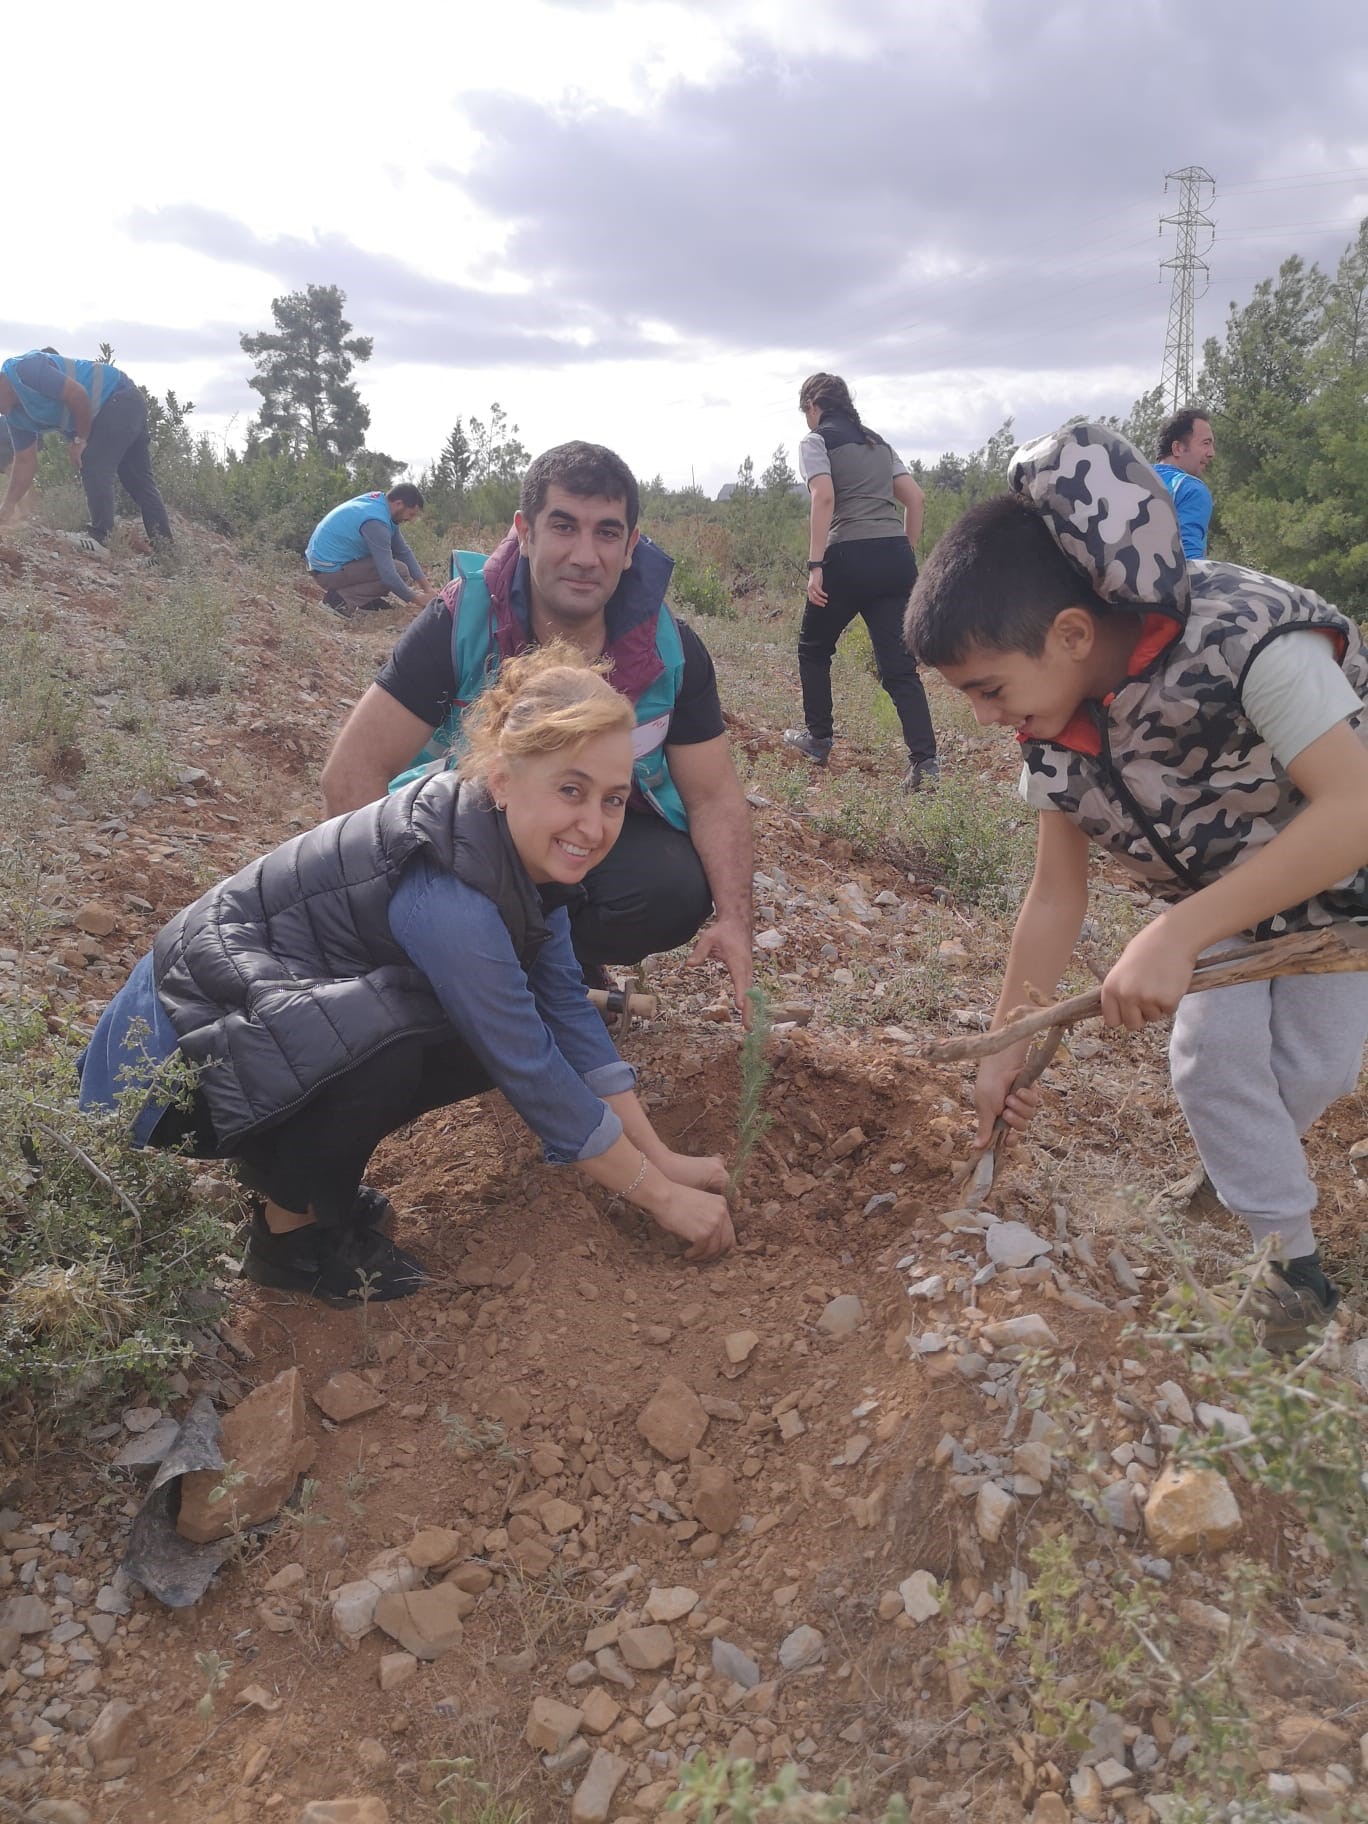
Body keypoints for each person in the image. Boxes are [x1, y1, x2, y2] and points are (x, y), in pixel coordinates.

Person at [77, 645, 737, 1305]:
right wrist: (662, 1201)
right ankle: (291, 1235)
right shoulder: (454, 893)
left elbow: (565, 1008)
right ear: (504, 778)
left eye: (614, 799)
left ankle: (287, 1168)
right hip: (162, 1076)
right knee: (411, 1035)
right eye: (571, 789)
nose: (593, 825)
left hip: (235, 1039)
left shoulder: (519, 855)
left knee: (472, 1024)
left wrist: (660, 1160)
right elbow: (533, 1072)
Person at [906, 420, 1368, 1352]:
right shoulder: (1054, 724)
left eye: (990, 689)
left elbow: (1352, 809)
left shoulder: (1251, 642)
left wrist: (1173, 933)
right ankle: (1291, 1269)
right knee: (1214, 1059)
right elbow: (1054, 896)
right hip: (1218, 903)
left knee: (1315, 1068)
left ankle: (1245, 1165)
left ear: (1072, 632)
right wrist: (1004, 1042)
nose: (989, 718)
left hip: (1340, 884)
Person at [320, 441, 755, 1011]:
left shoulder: (671, 649)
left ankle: (552, 966)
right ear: (525, 533)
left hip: (570, 844)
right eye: (564, 526)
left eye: (606, 533)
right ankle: (473, 967)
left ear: (630, 548)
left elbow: (715, 795)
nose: (584, 555)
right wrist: (390, 926)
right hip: (466, 837)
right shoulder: (459, 620)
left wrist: (735, 922)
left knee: (672, 885)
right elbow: (350, 775)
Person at [783, 373, 938, 791]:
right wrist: (902, 549)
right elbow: (916, 499)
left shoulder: (816, 442)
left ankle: (817, 738)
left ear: (813, 407)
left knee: (813, 648)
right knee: (900, 668)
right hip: (893, 559)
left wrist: (816, 564)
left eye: (806, 413)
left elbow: (824, 498)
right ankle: (925, 762)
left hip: (846, 558)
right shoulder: (878, 443)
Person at [0, 348, 172, 545]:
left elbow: (78, 395)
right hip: (121, 405)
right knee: (139, 481)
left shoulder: (25, 369)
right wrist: (9, 505)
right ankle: (166, 551)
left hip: (118, 397)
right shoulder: (15, 417)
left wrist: (80, 441)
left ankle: (100, 538)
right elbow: (24, 462)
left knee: (91, 461)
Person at [305, 482, 430, 615]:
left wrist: (428, 588)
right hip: (327, 573)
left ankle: (364, 601)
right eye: (411, 514)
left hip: (320, 565)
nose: (410, 519)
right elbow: (389, 576)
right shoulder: (376, 523)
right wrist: (418, 600)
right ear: (399, 504)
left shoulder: (378, 502)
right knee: (400, 571)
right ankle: (339, 601)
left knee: (389, 564)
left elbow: (403, 550)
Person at [1152, 408, 1215, 560]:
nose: (1212, 453)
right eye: (1205, 443)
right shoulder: (1191, 490)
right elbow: (1189, 566)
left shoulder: (1130, 479)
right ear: (1178, 448)